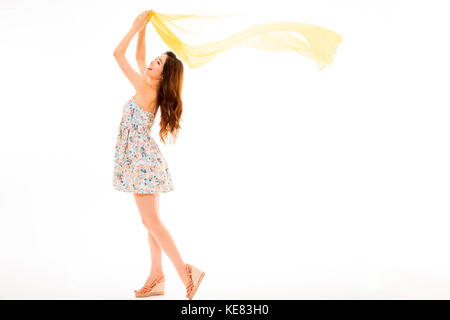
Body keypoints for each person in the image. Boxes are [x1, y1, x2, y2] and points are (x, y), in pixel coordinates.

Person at [112, 10, 205, 299]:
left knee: (151, 222)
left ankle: (184, 271)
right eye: (155, 59)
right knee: (150, 221)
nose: (151, 62)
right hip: (143, 160)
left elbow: (118, 54)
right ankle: (156, 276)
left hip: (141, 162)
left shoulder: (145, 87)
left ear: (163, 75)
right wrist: (143, 31)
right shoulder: (149, 84)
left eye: (158, 63)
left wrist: (132, 28)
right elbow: (139, 59)